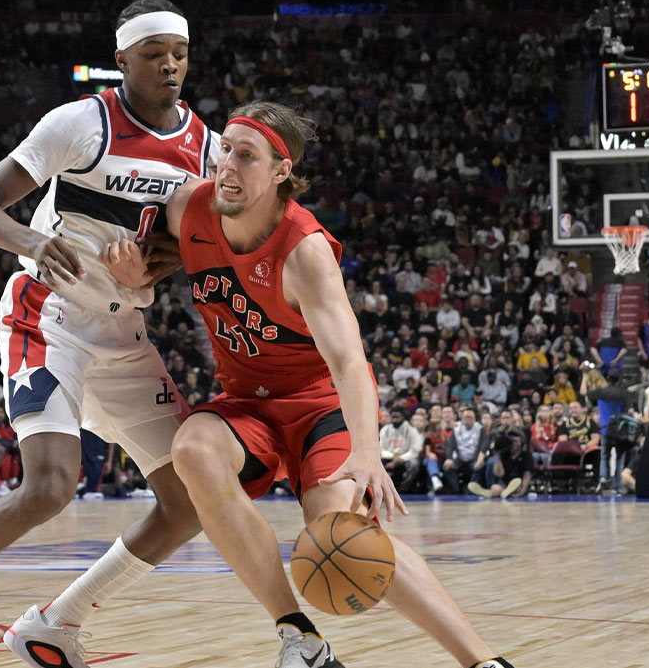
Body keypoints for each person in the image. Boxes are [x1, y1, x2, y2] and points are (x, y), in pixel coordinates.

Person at [104, 101, 514, 668]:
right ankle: (299, 637)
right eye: (224, 149)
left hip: (320, 405)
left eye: (245, 157)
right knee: (192, 451)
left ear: (280, 171)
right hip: (246, 403)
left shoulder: (305, 251)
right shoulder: (189, 208)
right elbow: (157, 260)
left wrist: (368, 453)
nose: (226, 165)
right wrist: (136, 282)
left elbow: (349, 362)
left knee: (336, 535)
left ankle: (484, 662)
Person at [0, 0, 215, 668]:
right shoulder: (80, 122)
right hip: (45, 316)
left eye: (179, 51)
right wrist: (32, 239)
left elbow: (181, 252)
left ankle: (56, 624)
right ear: (122, 61)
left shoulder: (204, 146)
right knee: (51, 485)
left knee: (191, 500)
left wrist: (161, 262)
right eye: (154, 53)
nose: (170, 63)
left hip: (123, 331)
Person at [378, 407, 424, 493]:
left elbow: (415, 449)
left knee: (414, 464)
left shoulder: (411, 430)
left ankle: (403, 488)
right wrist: (393, 457)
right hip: (389, 457)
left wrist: (401, 458)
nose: (395, 419)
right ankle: (382, 489)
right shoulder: (385, 429)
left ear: (403, 417)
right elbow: (381, 448)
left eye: (397, 417)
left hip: (406, 458)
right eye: (393, 417)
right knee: (376, 462)